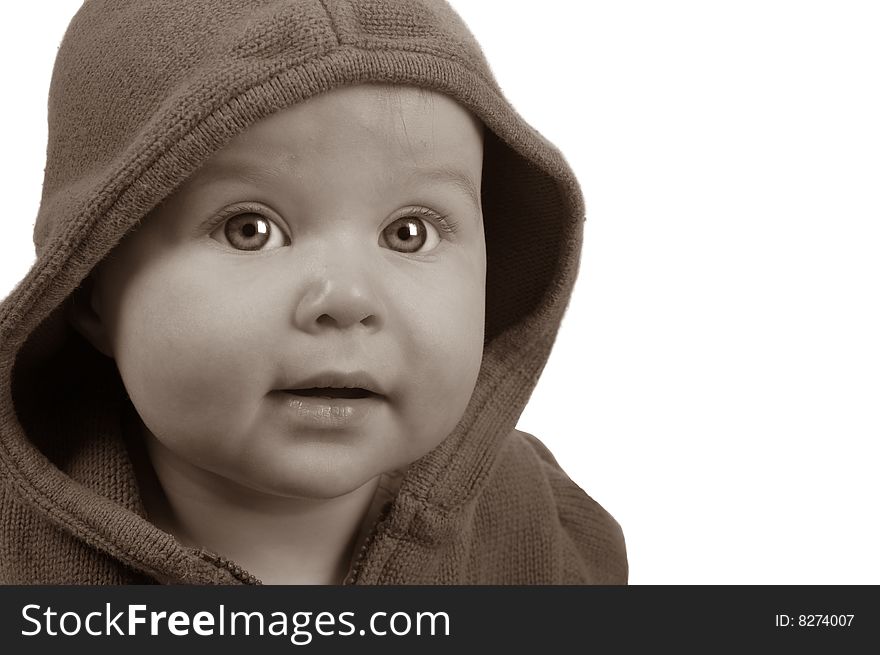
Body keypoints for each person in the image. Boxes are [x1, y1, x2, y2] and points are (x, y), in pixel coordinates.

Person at [0, 0, 626, 584]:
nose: (348, 297)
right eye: (251, 231)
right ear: (86, 286)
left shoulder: (543, 534)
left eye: (408, 234)